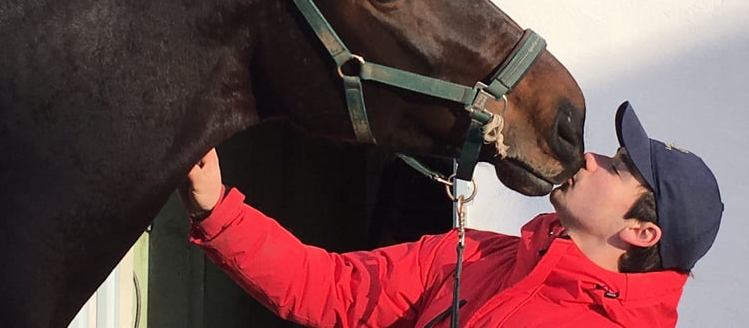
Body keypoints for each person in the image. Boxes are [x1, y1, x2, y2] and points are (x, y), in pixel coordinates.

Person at [179, 102, 722, 327]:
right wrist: (218, 209)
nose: (592, 157)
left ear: (640, 230)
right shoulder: (478, 253)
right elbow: (336, 288)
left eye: (620, 166)